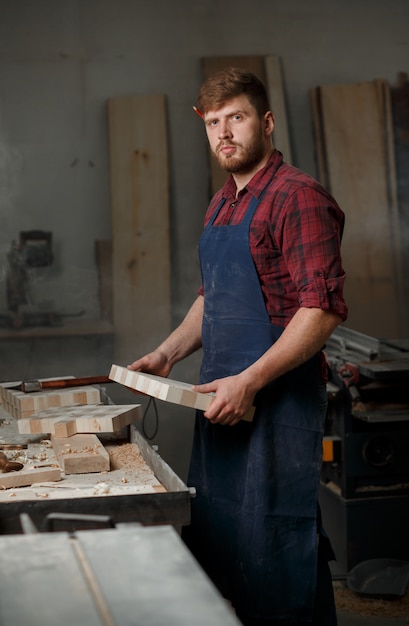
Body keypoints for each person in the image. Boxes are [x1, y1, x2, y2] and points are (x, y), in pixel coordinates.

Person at [128, 67, 348, 625]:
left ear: (267, 123)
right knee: (227, 539)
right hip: (219, 399)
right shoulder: (222, 203)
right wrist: (167, 353)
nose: (225, 133)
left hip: (275, 403)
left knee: (276, 539)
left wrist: (250, 381)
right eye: (215, 122)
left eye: (238, 118)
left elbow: (319, 311)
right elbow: (212, 298)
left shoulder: (297, 198)